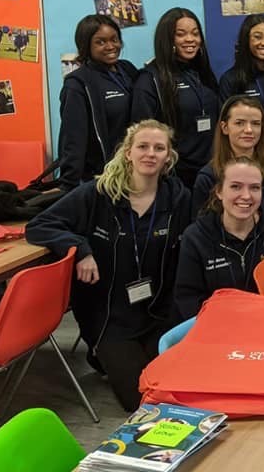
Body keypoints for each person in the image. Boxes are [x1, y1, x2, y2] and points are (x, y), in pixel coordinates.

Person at [26, 121, 191, 411]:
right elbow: (39, 225)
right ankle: (103, 351)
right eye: (142, 146)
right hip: (109, 317)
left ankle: (109, 358)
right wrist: (80, 250)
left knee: (175, 384)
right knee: (140, 398)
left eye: (159, 148)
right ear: (128, 152)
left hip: (157, 312)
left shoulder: (178, 198)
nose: (150, 153)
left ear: (169, 156)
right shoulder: (98, 193)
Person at [175, 157, 264, 319]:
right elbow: (188, 299)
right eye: (235, 187)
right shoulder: (196, 238)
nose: (246, 196)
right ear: (219, 191)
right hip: (218, 330)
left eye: (254, 188)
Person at [131, 8, 220, 187]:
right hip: (175, 177)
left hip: (212, 170)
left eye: (195, 34)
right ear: (167, 39)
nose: (190, 40)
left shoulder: (202, 73)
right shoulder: (150, 79)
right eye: (181, 34)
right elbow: (143, 133)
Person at [57, 14, 138, 192]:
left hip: (136, 169)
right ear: (86, 46)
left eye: (114, 39)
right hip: (103, 177)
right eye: (100, 42)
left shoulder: (128, 70)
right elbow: (73, 137)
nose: (111, 46)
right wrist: (69, 185)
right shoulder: (78, 83)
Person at [190, 95, 264, 216]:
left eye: (255, 123)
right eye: (239, 123)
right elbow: (201, 227)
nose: (249, 130)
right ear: (225, 127)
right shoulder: (208, 177)